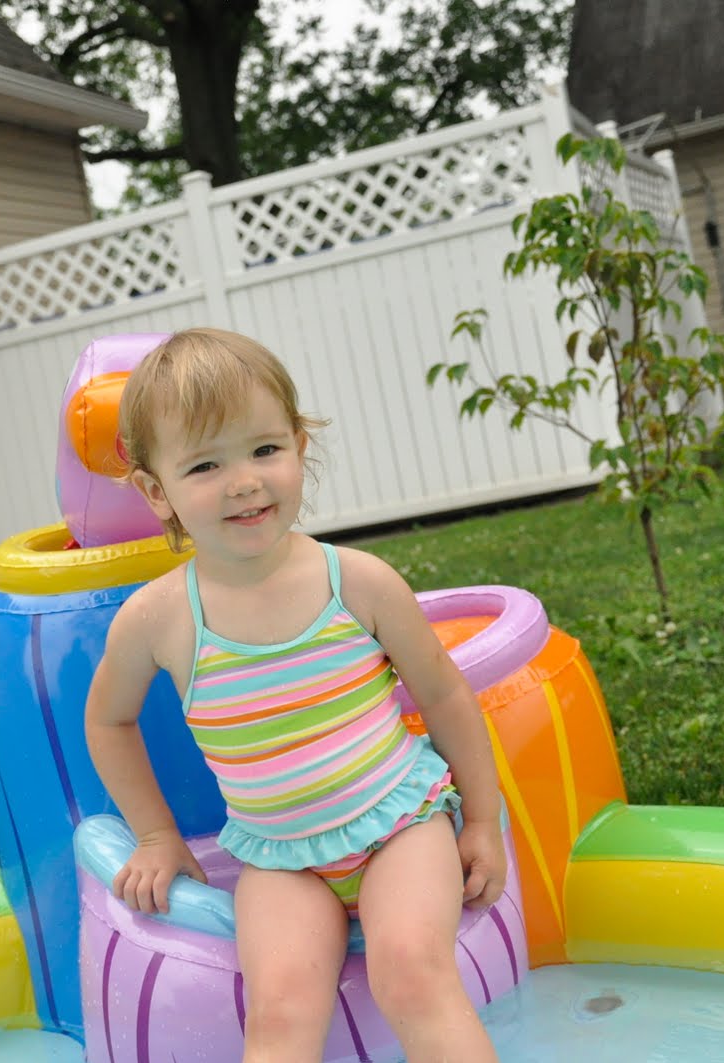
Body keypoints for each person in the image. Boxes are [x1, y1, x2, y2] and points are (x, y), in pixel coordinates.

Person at [84, 327, 505, 1062]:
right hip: (280, 860)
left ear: (299, 448)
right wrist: (156, 835)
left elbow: (443, 696)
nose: (244, 480)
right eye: (206, 464)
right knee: (278, 1016)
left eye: (265, 449)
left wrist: (483, 821)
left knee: (412, 972)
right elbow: (109, 721)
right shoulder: (160, 618)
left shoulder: (359, 582)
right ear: (157, 492)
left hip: (399, 827)